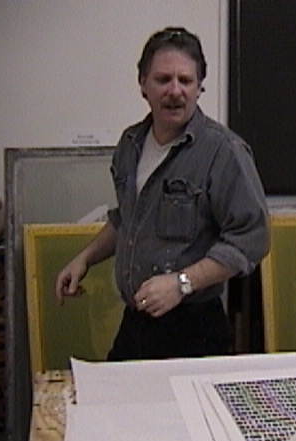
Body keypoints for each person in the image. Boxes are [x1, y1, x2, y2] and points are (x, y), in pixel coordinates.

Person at [55, 27, 269, 361]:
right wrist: (85, 258)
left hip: (195, 332)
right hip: (135, 323)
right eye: (163, 79)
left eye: (186, 80)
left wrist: (182, 283)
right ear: (143, 84)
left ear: (199, 87)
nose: (175, 91)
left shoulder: (224, 152)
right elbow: (127, 219)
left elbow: (252, 238)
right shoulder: (130, 145)